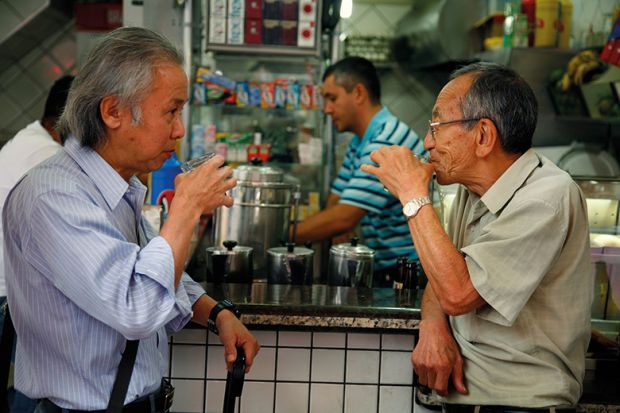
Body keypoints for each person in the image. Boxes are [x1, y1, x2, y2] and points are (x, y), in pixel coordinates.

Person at [4, 27, 259, 412]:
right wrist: (187, 205)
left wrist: (216, 312)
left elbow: (145, 267)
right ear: (113, 112)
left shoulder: (115, 185)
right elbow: (137, 306)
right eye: (171, 110)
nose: (179, 129)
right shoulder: (54, 196)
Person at [362, 62, 591, 407]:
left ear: (483, 135)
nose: (427, 142)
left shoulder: (546, 198)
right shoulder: (474, 190)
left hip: (519, 405)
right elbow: (442, 275)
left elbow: (457, 293)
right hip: (465, 398)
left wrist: (412, 195)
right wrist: (434, 326)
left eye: (437, 126)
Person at [294, 56, 426, 286]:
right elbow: (336, 201)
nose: (326, 109)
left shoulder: (385, 141)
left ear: (358, 93)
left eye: (332, 98)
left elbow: (345, 216)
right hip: (389, 265)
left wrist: (280, 235)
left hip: (408, 269)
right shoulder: (361, 141)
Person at [0, 74, 74, 413]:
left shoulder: (31, 137)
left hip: (8, 285)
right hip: (8, 292)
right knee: (37, 385)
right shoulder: (47, 157)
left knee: (28, 381)